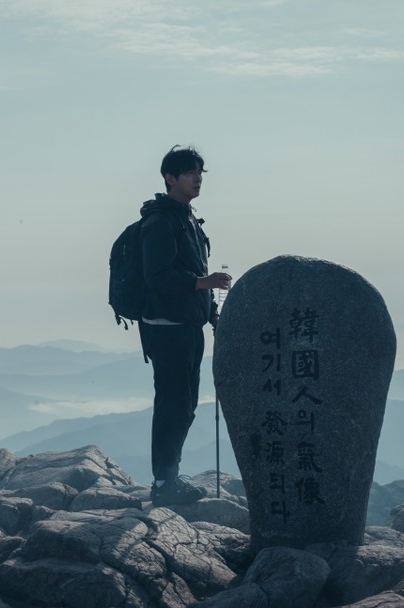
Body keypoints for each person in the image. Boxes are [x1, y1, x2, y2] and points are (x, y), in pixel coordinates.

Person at [139, 145, 232, 507]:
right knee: (173, 404)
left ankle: (169, 477)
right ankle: (164, 483)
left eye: (200, 173)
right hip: (166, 327)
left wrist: (210, 313)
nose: (197, 179)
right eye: (190, 173)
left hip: (188, 324)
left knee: (185, 404)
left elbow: (192, 269)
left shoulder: (188, 218)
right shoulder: (160, 221)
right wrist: (203, 284)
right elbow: (157, 276)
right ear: (170, 178)